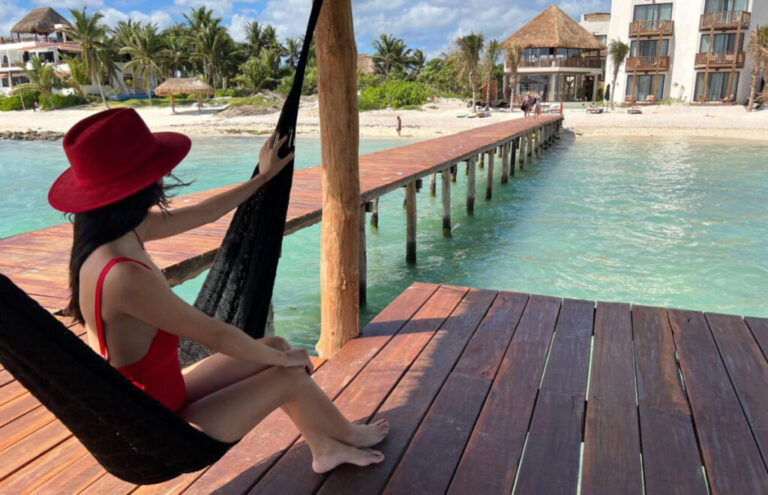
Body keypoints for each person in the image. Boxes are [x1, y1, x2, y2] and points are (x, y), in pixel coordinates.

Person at [48, 108, 388, 474]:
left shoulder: (110, 236)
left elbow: (203, 213)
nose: (163, 179)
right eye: (156, 172)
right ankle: (346, 435)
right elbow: (213, 332)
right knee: (286, 371)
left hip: (158, 396)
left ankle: (325, 446)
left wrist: (263, 178)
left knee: (274, 347)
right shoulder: (123, 275)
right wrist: (283, 364)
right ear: (140, 184)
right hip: (154, 431)